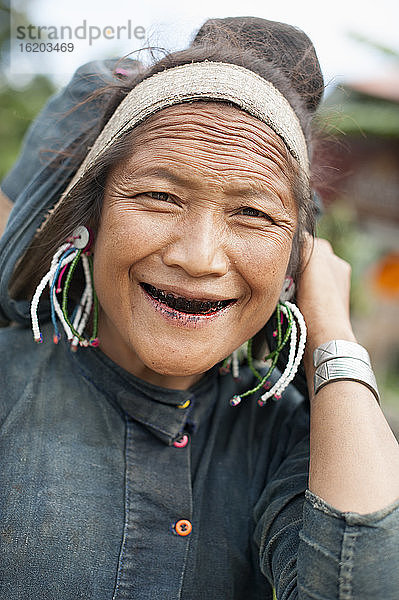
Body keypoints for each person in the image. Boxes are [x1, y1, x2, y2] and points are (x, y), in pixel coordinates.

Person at [0, 16, 398, 600]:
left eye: (253, 214)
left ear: (295, 262)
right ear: (91, 220)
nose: (199, 258)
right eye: (159, 196)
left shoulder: (292, 440)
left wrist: (333, 332)